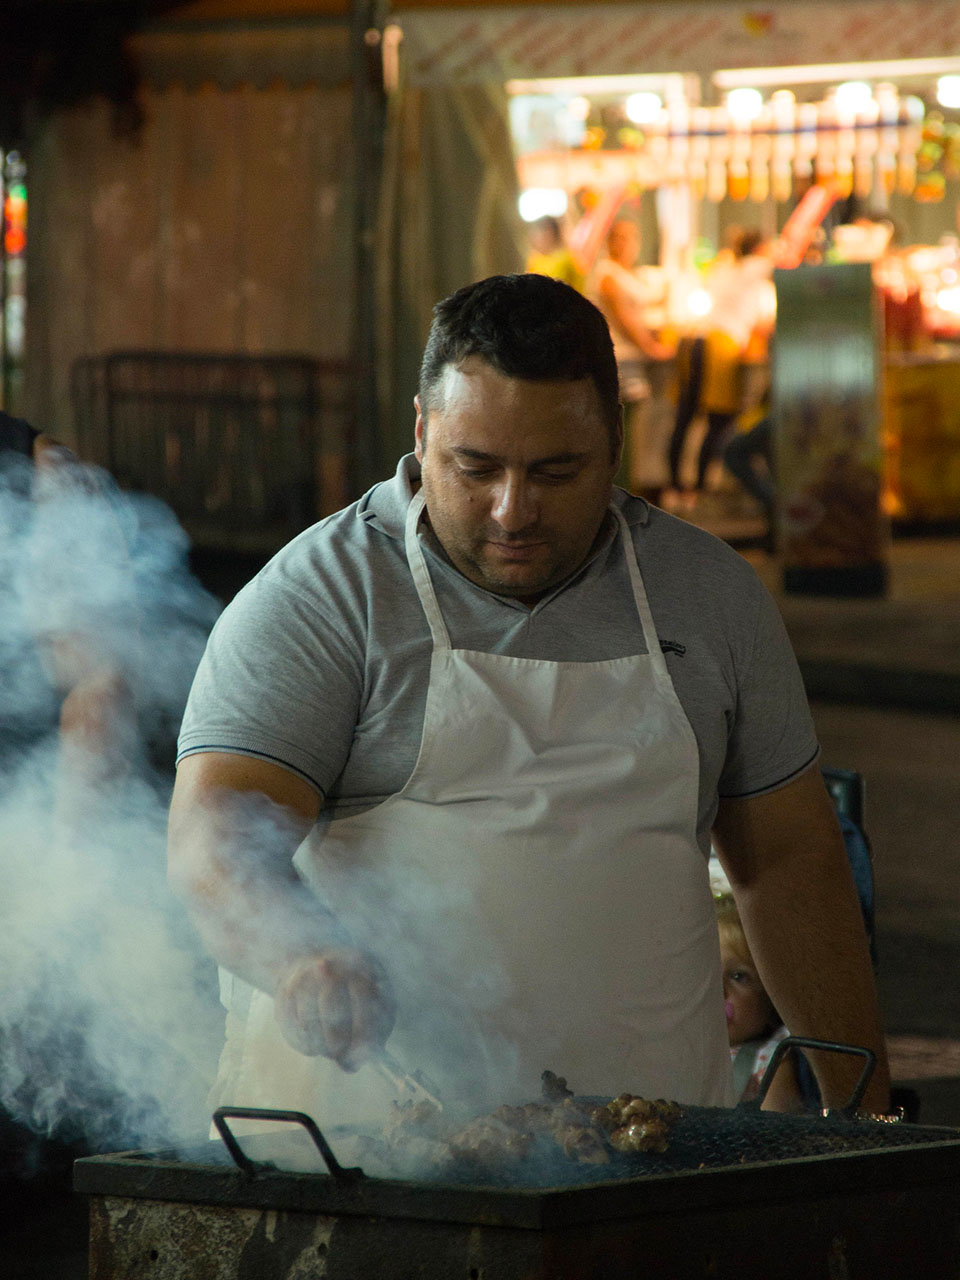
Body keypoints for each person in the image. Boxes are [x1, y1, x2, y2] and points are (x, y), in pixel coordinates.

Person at [168, 273, 890, 1130]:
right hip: (368, 1146)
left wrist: (868, 1124)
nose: (514, 510)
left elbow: (788, 865)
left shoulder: (710, 599)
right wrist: (297, 954)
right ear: (421, 431)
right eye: (475, 468)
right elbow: (218, 838)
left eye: (556, 471)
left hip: (652, 1143)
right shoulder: (322, 596)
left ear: (616, 445)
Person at [665, 228, 776, 509]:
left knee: (686, 416)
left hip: (695, 340)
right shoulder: (754, 268)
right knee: (719, 421)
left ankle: (677, 486)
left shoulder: (724, 269)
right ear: (760, 248)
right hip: (722, 346)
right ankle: (701, 489)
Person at [590, 219, 675, 498]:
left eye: (632, 238)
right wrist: (651, 346)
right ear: (610, 242)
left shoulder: (629, 274)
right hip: (621, 359)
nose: (628, 245)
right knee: (623, 427)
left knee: (633, 426)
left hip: (632, 359)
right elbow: (623, 318)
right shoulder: (608, 275)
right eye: (621, 238)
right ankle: (620, 489)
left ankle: (628, 487)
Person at [716, 894, 801, 1110]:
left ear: (771, 1000)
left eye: (738, 976)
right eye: (704, 973)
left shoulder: (769, 1061)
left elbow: (773, 1134)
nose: (716, 989)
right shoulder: (668, 1047)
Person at [524, 215, 584, 291]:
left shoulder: (564, 259)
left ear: (548, 233)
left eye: (536, 234)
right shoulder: (535, 260)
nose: (532, 240)